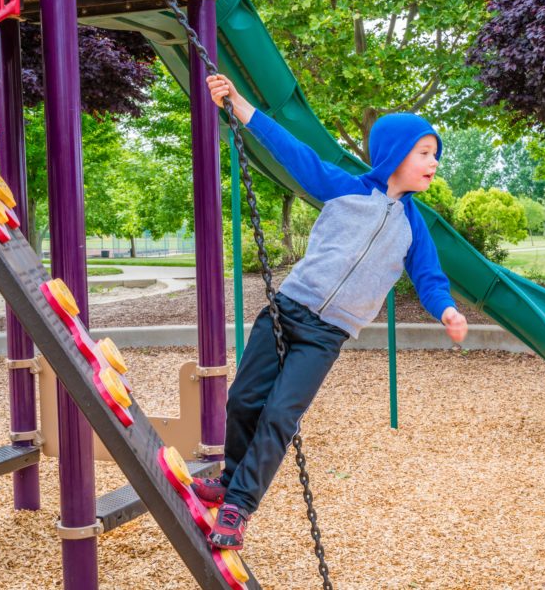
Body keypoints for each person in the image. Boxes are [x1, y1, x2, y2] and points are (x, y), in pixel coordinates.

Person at [192, 74, 469, 550]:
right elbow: (293, 152)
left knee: (280, 413)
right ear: (394, 155)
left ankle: (238, 506)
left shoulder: (413, 226)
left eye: (434, 153)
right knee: (243, 399)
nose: (433, 161)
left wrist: (445, 310)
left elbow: (429, 276)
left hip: (328, 334)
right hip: (287, 310)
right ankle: (229, 478)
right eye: (423, 151)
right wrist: (239, 102)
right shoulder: (343, 188)